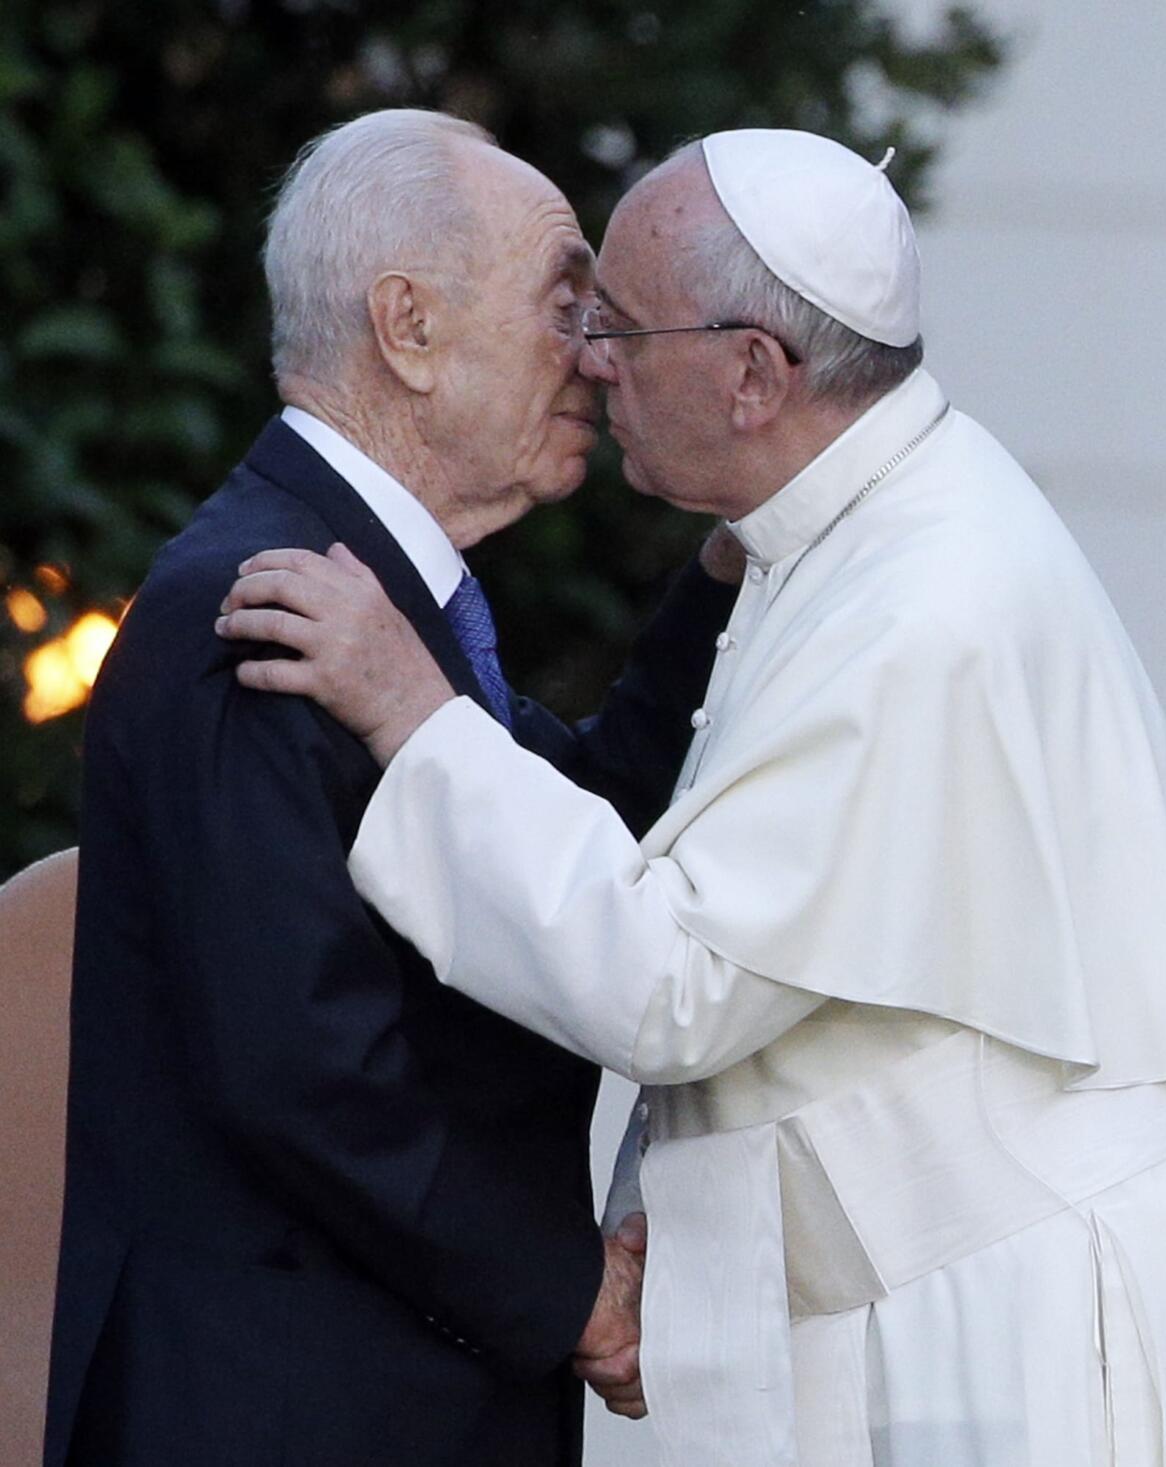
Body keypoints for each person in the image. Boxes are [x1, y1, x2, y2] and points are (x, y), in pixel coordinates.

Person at [217, 130, 1166, 1466]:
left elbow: (673, 983)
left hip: (999, 1325)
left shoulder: (920, 604)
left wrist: (415, 715)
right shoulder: (852, 530)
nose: (588, 358)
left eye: (620, 327)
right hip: (916, 1302)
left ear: (753, 373)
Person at [44, 108, 742, 1467]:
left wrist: (735, 559)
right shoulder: (249, 603)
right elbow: (302, 1069)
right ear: (408, 327)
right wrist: (572, 1296)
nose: (598, 356)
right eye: (563, 301)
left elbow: (567, 812)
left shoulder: (366, 596)